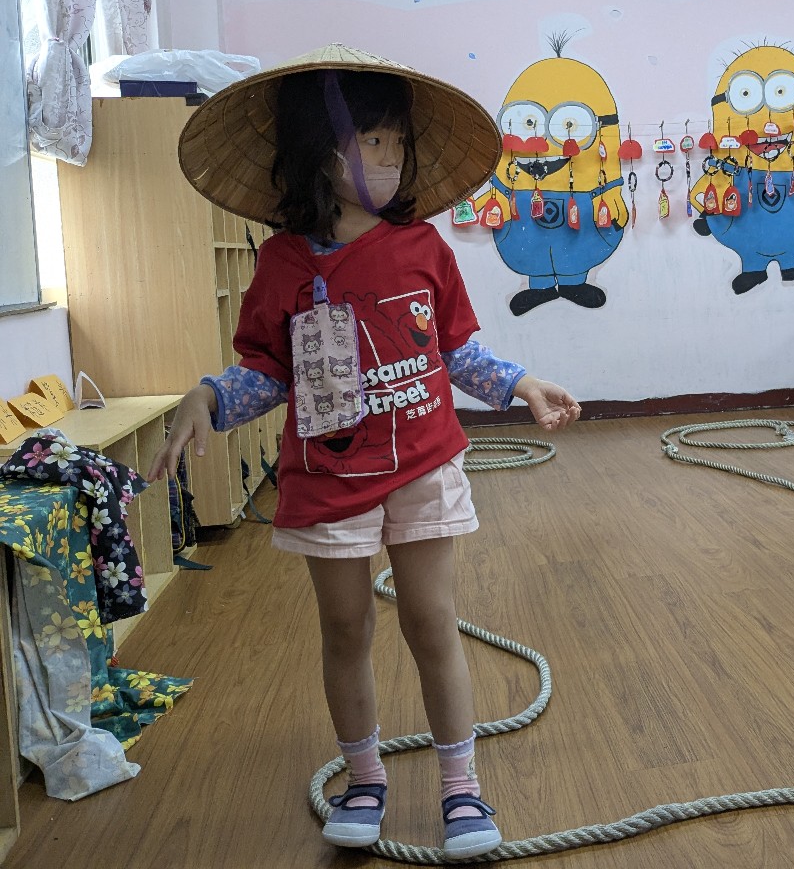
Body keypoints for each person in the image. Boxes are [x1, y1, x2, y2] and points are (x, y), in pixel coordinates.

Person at [148, 44, 581, 856]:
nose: (390, 157)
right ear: (321, 150)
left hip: (423, 464)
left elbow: (457, 351)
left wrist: (522, 385)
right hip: (327, 477)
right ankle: (365, 777)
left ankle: (462, 789)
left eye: (397, 142)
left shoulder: (424, 248)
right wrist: (207, 397)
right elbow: (267, 371)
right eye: (372, 140)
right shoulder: (281, 263)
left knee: (431, 621)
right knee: (345, 629)